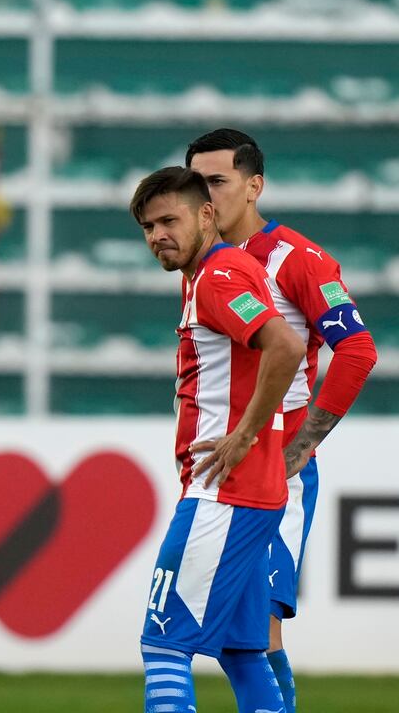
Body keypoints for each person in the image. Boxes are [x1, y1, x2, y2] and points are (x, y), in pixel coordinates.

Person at [187, 129, 379, 712]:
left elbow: (357, 350)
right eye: (197, 184)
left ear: (254, 185)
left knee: (256, 632)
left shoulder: (297, 258)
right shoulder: (203, 262)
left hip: (276, 471)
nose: (207, 197)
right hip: (224, 470)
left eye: (218, 182)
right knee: (233, 635)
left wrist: (300, 449)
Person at [131, 167, 305, 713]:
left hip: (225, 493)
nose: (157, 234)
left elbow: (285, 346)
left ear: (206, 215)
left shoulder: (218, 275)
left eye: (168, 220)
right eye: (147, 226)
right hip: (251, 494)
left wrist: (244, 433)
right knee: (242, 650)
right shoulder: (219, 271)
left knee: (163, 643)